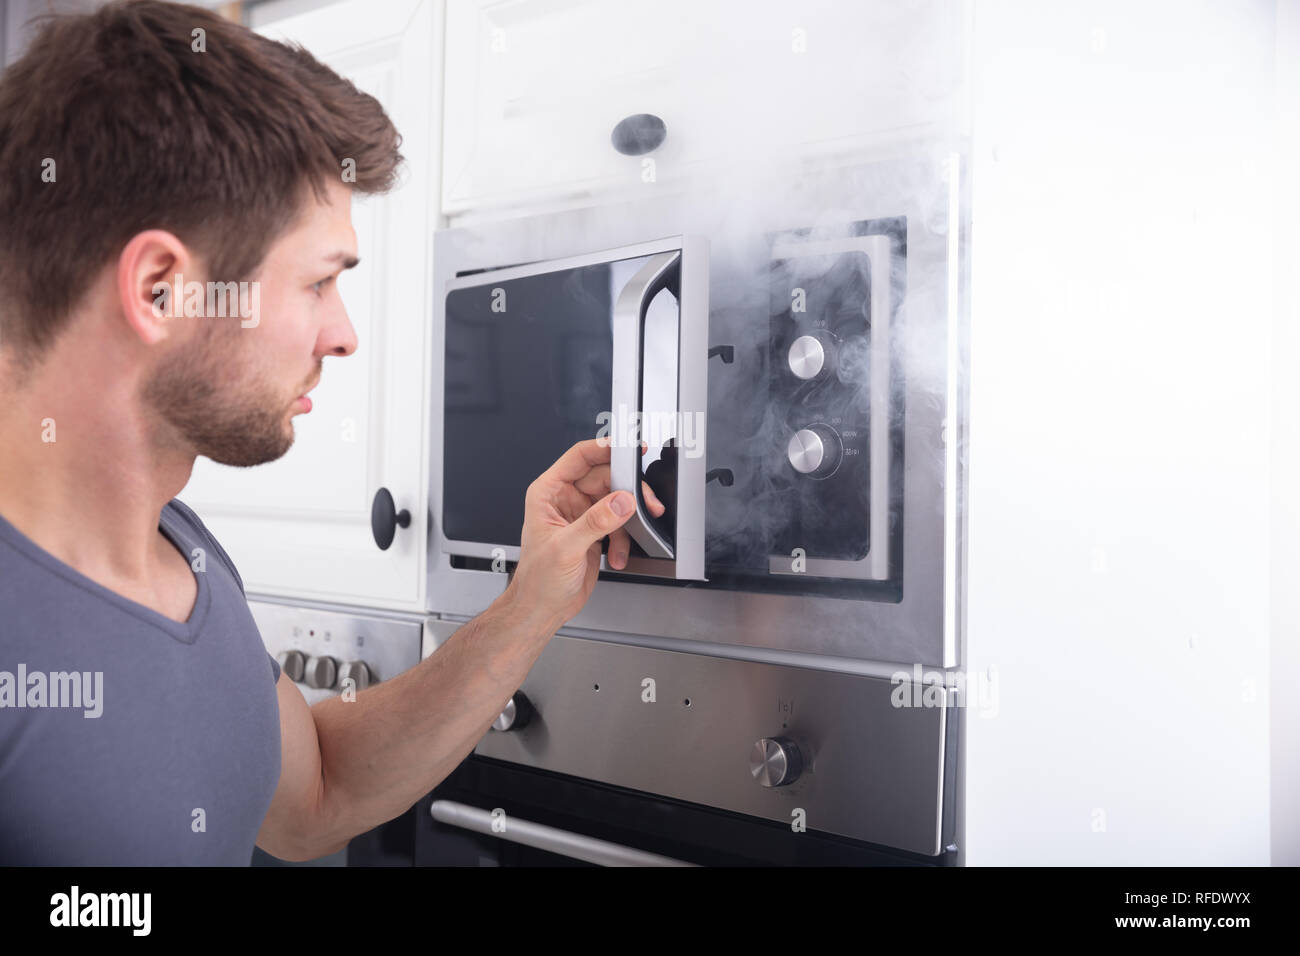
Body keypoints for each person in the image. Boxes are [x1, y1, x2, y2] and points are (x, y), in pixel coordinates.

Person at [0, 0, 662, 864]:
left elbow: (317, 792)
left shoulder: (182, 553)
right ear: (162, 289)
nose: (344, 334)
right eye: (319, 283)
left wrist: (528, 607)